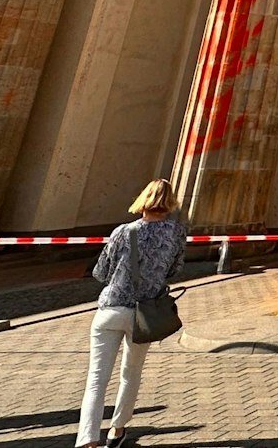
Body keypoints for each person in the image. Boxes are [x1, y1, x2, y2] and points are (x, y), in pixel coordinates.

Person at [79, 179, 187, 448]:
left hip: (111, 309)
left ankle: (88, 439)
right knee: (131, 372)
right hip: (145, 314)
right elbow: (175, 269)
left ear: (143, 200)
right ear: (169, 202)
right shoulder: (176, 233)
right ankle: (117, 430)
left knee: (96, 377)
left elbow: (101, 272)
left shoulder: (124, 232)